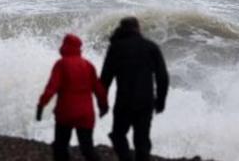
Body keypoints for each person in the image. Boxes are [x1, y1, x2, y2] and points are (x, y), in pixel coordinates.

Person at [99, 17, 169, 161]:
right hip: (145, 101)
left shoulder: (116, 48)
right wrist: (160, 101)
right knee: (142, 140)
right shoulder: (151, 47)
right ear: (138, 28)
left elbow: (105, 79)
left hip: (124, 101)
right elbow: (163, 77)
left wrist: (103, 104)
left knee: (118, 136)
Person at [37, 33, 109, 161]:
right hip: (86, 114)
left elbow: (51, 88)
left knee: (60, 146)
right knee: (87, 148)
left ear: (64, 46)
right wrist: (103, 106)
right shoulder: (88, 65)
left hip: (66, 112)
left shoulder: (61, 64)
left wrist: (41, 105)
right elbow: (99, 90)